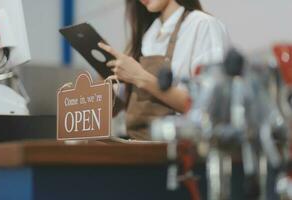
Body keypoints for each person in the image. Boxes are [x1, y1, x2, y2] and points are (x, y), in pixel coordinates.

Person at [98, 0, 230, 140]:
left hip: (182, 149)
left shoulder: (202, 25)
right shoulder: (147, 37)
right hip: (137, 148)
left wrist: (140, 77)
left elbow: (211, 108)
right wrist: (104, 78)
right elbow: (119, 107)